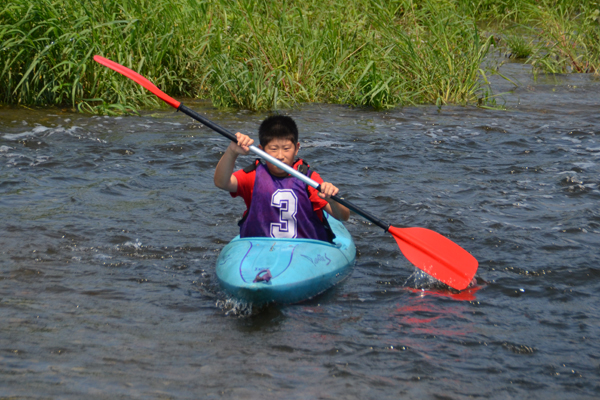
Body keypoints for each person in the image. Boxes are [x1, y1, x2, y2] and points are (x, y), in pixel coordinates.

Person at [214, 115, 349, 241]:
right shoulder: (253, 176)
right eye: (273, 149)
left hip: (304, 253)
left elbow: (343, 216)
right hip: (260, 249)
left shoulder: (309, 179)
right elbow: (221, 182)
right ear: (261, 150)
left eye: (286, 148)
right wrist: (232, 152)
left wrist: (333, 201)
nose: (280, 156)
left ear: (296, 148)